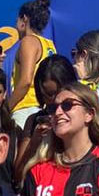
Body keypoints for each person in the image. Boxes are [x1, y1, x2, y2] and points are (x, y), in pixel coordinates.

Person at [13, 55, 81, 183]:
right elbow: (17, 175)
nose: (54, 100)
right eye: (48, 95)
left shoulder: (82, 118)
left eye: (58, 92)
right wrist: (34, 143)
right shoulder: (35, 121)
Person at [8, 0, 56, 128]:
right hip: (43, 108)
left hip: (26, 109)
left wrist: (5, 109)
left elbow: (25, 81)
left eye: (17, 20)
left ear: (24, 19)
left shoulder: (28, 42)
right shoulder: (50, 45)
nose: (16, 25)